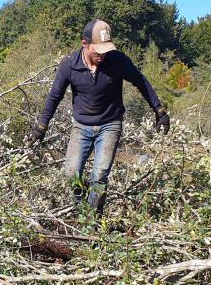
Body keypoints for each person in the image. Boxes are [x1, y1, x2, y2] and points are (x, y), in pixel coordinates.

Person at [27, 19, 170, 213]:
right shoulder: (69, 64)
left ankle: (93, 218)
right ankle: (82, 210)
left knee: (100, 174)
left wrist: (159, 111)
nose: (103, 55)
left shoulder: (117, 60)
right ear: (85, 44)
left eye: (106, 49)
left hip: (110, 125)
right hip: (81, 125)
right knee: (71, 173)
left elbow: (140, 81)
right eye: (98, 50)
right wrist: (41, 127)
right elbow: (54, 96)